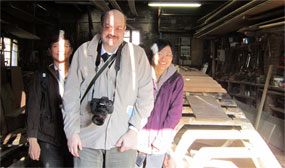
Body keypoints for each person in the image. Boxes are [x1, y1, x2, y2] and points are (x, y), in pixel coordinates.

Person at [62, 9, 154, 167]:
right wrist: (72, 132)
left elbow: (145, 98)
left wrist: (134, 130)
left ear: (125, 29)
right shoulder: (83, 52)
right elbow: (70, 97)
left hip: (122, 138)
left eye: (118, 28)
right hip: (86, 138)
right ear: (100, 26)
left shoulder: (137, 55)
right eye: (108, 27)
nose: (113, 33)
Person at [26, 31, 74, 167]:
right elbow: (32, 107)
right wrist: (32, 139)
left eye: (65, 46)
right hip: (48, 136)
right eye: (55, 46)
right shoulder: (40, 76)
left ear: (71, 50)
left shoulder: (79, 76)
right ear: (49, 51)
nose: (60, 50)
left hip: (74, 136)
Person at [136, 39, 184, 168]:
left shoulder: (176, 80)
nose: (164, 58)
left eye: (168, 55)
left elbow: (175, 113)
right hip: (136, 139)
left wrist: (160, 140)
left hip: (158, 143)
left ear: (172, 57)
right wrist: (133, 133)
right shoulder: (141, 75)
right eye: (160, 54)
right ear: (152, 55)